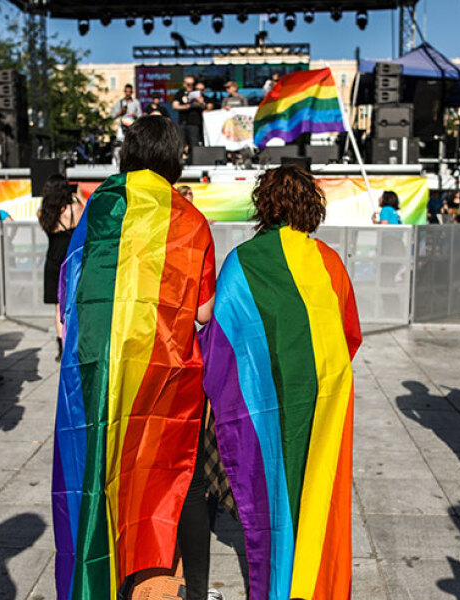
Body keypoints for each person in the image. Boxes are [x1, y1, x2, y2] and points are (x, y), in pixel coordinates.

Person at [51, 115, 218, 600]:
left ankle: (99, 576)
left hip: (96, 369)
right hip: (161, 372)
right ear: (174, 156)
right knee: (164, 473)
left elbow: (71, 289)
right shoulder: (187, 217)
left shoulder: (99, 204)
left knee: (96, 469)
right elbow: (204, 311)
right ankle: (171, 584)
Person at [199, 164, 361, 600]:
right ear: (311, 207)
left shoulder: (242, 263)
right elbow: (350, 334)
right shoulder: (329, 262)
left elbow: (219, 343)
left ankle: (278, 582)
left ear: (263, 207)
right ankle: (316, 582)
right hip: (326, 395)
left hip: (263, 401)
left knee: (270, 491)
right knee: (318, 489)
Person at [37, 174, 82, 360]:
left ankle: (61, 346)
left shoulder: (43, 213)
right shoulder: (75, 209)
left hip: (53, 262)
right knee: (75, 304)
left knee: (58, 308)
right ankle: (75, 343)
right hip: (72, 262)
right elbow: (85, 219)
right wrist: (77, 194)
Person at [173, 75, 206, 153]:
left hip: (194, 122)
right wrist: (186, 106)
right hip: (183, 121)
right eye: (188, 84)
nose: (190, 86)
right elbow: (175, 106)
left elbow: (204, 105)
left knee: (194, 143)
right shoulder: (180, 93)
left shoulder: (197, 93)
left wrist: (200, 101)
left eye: (192, 84)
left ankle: (195, 161)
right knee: (181, 143)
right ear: (184, 84)